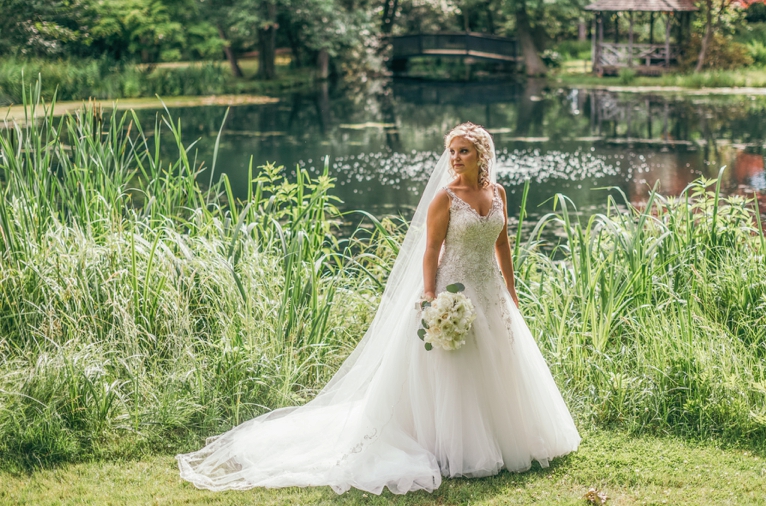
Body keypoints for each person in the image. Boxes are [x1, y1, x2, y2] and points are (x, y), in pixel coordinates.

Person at [176, 122, 580, 495]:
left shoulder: (498, 194)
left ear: (482, 156)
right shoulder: (445, 198)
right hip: (451, 290)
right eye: (452, 151)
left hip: (490, 291)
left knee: (499, 363)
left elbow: (502, 244)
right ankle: (450, 445)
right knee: (453, 368)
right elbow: (431, 251)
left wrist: (511, 290)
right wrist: (429, 297)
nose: (455, 158)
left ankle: (506, 437)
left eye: (464, 151)